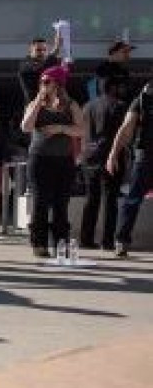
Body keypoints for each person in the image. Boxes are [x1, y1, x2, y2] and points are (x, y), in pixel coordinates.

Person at [21, 65, 84, 258]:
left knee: (61, 203)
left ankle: (60, 243)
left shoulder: (71, 104)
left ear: (57, 83)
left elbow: (81, 130)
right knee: (40, 201)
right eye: (41, 81)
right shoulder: (35, 103)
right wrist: (37, 103)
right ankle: (39, 243)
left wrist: (60, 128)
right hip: (39, 159)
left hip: (64, 160)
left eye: (47, 81)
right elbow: (26, 127)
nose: (43, 84)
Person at [79, 77, 128, 250]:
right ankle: (107, 241)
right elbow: (123, 132)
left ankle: (86, 239)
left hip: (89, 156)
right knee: (110, 200)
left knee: (91, 199)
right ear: (113, 88)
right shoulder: (119, 106)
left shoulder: (87, 106)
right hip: (110, 157)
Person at [106, 82, 153, 258]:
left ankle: (121, 241)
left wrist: (113, 154)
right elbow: (126, 128)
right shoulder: (143, 98)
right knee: (132, 199)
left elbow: (126, 128)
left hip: (144, 155)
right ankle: (121, 241)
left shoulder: (143, 98)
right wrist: (113, 154)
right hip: (144, 155)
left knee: (132, 199)